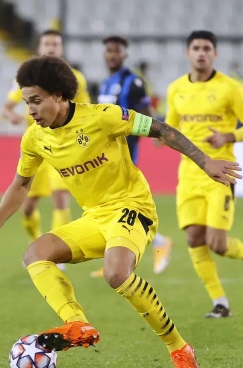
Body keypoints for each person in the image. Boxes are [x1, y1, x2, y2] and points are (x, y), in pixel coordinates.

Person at [0, 56, 242, 368]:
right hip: (95, 217)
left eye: (36, 101)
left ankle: (179, 348)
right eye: (27, 102)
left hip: (133, 207)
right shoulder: (34, 138)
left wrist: (205, 161)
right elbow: (21, 184)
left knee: (116, 274)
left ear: (59, 95)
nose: (30, 110)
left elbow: (160, 129)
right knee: (35, 254)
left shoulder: (103, 117)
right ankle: (76, 323)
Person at [162, 31, 243, 318]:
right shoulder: (175, 89)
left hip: (221, 172)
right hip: (189, 174)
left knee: (218, 244)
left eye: (207, 48)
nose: (201, 53)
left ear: (215, 53)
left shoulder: (229, 87)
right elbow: (170, 128)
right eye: (196, 48)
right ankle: (220, 302)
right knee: (194, 239)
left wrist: (228, 136)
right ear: (188, 52)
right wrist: (157, 137)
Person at [2, 29, 91, 271]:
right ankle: (37, 244)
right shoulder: (26, 79)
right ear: (39, 48)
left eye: (56, 44)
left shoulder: (76, 79)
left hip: (64, 147)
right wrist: (11, 115)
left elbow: (86, 111)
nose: (51, 48)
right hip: (38, 148)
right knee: (28, 207)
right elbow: (7, 107)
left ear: (61, 48)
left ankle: (53, 254)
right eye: (47, 44)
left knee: (61, 199)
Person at [90, 35, 173, 277]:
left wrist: (159, 134)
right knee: (109, 208)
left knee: (117, 207)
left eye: (117, 50)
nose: (112, 54)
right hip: (105, 156)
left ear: (125, 54)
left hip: (125, 154)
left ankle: (160, 243)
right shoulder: (106, 84)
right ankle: (113, 259)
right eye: (109, 50)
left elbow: (146, 113)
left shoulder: (133, 82)